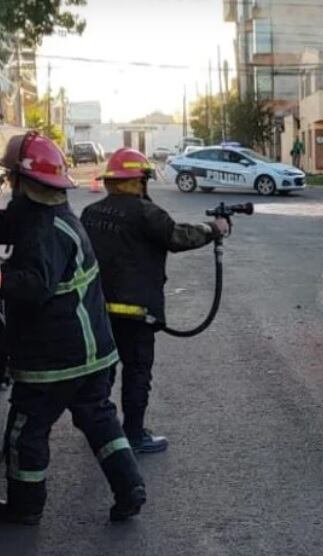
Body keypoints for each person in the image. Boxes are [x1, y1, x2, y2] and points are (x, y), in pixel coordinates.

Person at [0, 132, 145, 525]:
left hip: (54, 359)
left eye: (10, 178)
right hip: (94, 355)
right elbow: (8, 224)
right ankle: (129, 485)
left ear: (21, 180)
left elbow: (32, 285)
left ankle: (24, 507)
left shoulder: (41, 231)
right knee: (100, 420)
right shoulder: (50, 216)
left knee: (25, 433)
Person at [81, 148, 228, 454]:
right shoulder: (146, 213)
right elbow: (177, 237)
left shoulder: (91, 213)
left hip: (97, 311)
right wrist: (215, 229)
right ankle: (134, 435)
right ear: (139, 180)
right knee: (136, 372)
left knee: (102, 371)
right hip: (136, 313)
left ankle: (101, 431)